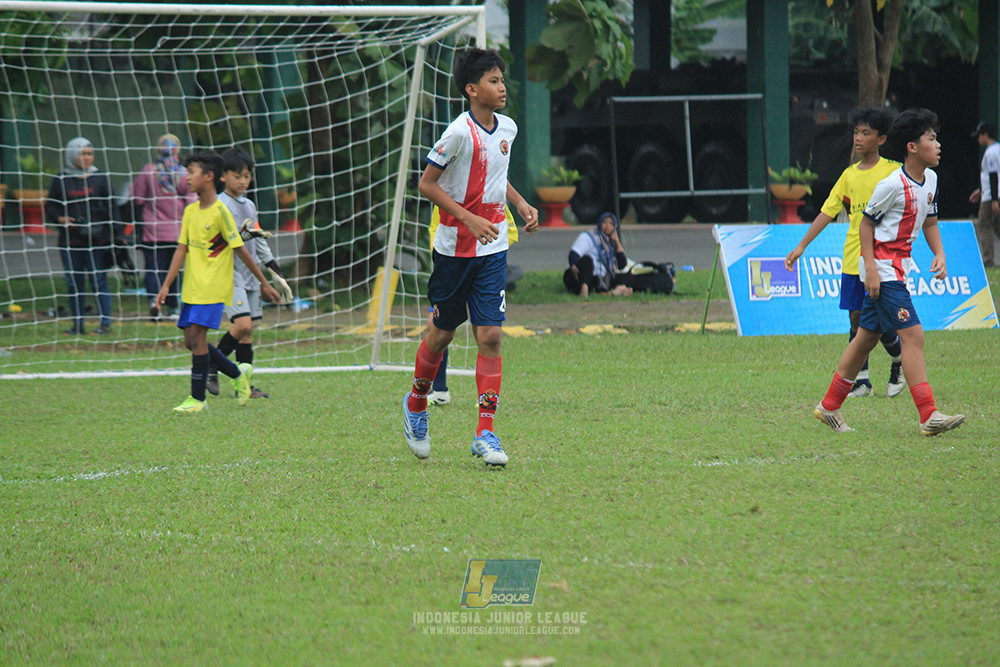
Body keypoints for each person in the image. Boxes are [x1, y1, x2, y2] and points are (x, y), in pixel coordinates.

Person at [401, 47, 538, 466]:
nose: (502, 88)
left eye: (502, 80)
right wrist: (469, 219)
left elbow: (498, 175)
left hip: (493, 249)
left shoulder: (508, 129)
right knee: (441, 335)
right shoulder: (458, 133)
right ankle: (416, 403)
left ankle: (486, 432)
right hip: (453, 251)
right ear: (472, 89)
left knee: (491, 336)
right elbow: (427, 183)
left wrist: (518, 202)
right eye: (494, 82)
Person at [813, 108, 964, 436]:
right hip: (883, 271)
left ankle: (829, 406)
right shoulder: (891, 184)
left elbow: (930, 221)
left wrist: (939, 252)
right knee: (913, 335)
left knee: (866, 338)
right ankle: (928, 415)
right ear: (912, 146)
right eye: (931, 138)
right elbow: (866, 225)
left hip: (898, 269)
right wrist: (869, 268)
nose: (938, 145)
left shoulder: (931, 180)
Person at [785, 108, 905, 398]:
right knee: (856, 318)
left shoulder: (892, 171)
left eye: (865, 133)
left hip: (882, 258)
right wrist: (801, 246)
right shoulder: (849, 175)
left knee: (880, 319)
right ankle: (862, 380)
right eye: (856, 132)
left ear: (881, 138)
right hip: (854, 258)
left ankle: (899, 362)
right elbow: (828, 211)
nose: (858, 138)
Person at [155, 150, 281, 413]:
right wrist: (167, 285)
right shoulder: (190, 211)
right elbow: (181, 249)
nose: (186, 178)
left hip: (213, 286)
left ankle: (197, 400)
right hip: (192, 285)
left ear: (209, 177)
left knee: (200, 339)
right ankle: (235, 374)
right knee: (190, 341)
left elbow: (241, 250)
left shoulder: (221, 212)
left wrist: (264, 281)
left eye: (191, 173)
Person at [205, 147, 294, 399]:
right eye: (237, 175)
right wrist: (264, 280)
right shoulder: (219, 205)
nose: (243, 181)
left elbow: (258, 240)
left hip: (251, 274)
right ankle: (213, 364)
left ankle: (245, 385)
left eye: (246, 176)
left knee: (248, 332)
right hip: (228, 274)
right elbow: (220, 242)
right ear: (223, 176)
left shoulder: (250, 204)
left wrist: (276, 273)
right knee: (241, 324)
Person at [425, 202, 520, 408]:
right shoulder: (446, 193)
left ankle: (486, 397)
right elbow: (435, 230)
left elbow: (510, 232)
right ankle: (439, 390)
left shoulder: (492, 193)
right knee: (436, 327)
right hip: (452, 267)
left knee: (487, 333)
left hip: (484, 271)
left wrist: (487, 250)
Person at [45, 137, 114, 335]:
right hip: (71, 241)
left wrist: (114, 235)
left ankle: (105, 324)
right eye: (82, 154)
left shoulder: (101, 177)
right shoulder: (61, 178)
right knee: (74, 283)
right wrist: (59, 218)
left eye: (89, 153)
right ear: (72, 154)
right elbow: (50, 204)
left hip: (97, 240)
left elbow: (111, 206)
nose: (86, 158)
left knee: (98, 281)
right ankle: (78, 324)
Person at [132, 133, 196, 320]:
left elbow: (138, 197)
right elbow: (192, 199)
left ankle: (154, 302)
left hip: (152, 230)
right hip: (177, 230)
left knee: (153, 268)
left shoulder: (148, 171)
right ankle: (173, 307)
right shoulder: (184, 173)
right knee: (174, 270)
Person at [563, 211, 632, 298]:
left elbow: (622, 265)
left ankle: (613, 292)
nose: (607, 226)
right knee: (587, 260)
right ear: (599, 223)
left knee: (625, 277)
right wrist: (573, 266)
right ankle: (584, 287)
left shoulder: (612, 243)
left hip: (598, 278)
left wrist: (617, 244)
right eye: (604, 222)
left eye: (611, 224)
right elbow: (574, 254)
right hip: (578, 275)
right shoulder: (589, 237)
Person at [968, 121, 1000, 267]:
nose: (978, 139)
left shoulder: (991, 153)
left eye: (980, 135)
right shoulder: (998, 150)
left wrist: (993, 200)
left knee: (985, 224)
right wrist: (980, 190)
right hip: (990, 193)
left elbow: (993, 176)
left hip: (992, 197)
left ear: (985, 135)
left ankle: (988, 260)